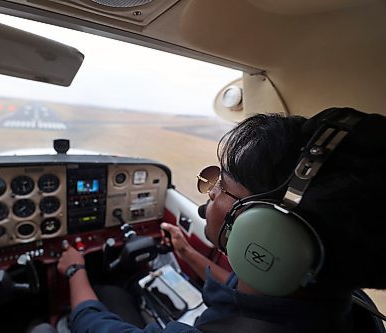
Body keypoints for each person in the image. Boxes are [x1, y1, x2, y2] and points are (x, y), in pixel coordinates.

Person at [58, 107, 386, 333]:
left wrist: (75, 270)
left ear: (269, 233)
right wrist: (187, 253)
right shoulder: (357, 310)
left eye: (223, 186)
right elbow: (243, 290)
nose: (211, 194)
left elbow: (94, 325)